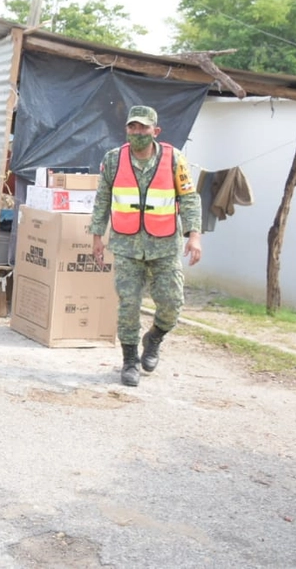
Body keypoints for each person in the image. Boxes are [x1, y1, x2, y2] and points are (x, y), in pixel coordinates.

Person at [90, 105, 202, 387]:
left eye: (144, 128)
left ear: (156, 131)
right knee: (128, 303)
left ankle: (154, 338)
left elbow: (189, 198)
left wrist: (194, 235)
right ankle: (129, 361)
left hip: (164, 245)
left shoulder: (174, 159)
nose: (138, 132)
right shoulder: (114, 160)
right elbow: (102, 200)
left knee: (172, 303)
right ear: (126, 129)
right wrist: (96, 238)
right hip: (126, 244)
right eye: (133, 127)